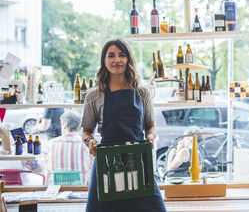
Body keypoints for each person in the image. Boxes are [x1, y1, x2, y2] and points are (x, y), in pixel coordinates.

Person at [81, 38, 166, 212]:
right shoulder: (94, 95)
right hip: (107, 163)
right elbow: (86, 131)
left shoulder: (142, 92)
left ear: (128, 59)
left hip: (138, 162)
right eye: (111, 55)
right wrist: (90, 141)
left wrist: (151, 135)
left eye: (122, 55)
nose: (116, 60)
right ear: (104, 61)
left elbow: (150, 125)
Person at [46, 110, 93, 186]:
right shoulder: (86, 145)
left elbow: (46, 171)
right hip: (80, 189)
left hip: (56, 190)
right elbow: (91, 172)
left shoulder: (51, 144)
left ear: (64, 125)